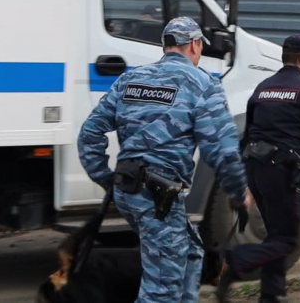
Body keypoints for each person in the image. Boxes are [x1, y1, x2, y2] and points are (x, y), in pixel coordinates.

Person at [77, 16, 253, 302]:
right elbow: (222, 150)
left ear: (165, 46)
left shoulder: (130, 79)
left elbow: (89, 133)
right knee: (161, 289)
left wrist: (106, 178)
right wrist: (238, 192)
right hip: (157, 196)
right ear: (195, 45)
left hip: (129, 189)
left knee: (191, 252)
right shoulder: (203, 84)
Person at [216, 35, 300, 303]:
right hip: (282, 171)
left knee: (276, 234)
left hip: (255, 167)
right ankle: (235, 261)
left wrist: (245, 181)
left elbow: (248, 134)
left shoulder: (263, 87)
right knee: (287, 241)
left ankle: (271, 294)